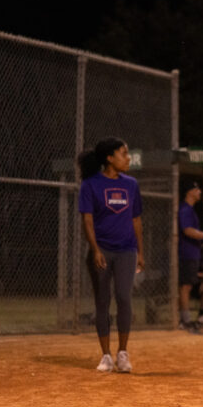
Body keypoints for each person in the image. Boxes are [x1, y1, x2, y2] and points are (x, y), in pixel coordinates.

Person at [77, 137, 145, 373]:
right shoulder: (90, 184)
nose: (128, 158)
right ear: (109, 158)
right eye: (123, 154)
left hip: (127, 250)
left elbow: (136, 220)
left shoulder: (131, 184)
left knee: (124, 298)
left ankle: (123, 353)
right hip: (103, 250)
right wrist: (95, 249)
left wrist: (140, 251)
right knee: (103, 301)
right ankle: (106, 355)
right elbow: (87, 220)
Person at [177, 181, 203, 332]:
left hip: (193, 252)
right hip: (186, 253)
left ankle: (185, 320)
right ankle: (185, 321)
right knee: (185, 287)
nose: (199, 192)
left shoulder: (191, 210)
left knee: (188, 286)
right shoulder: (185, 209)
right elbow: (187, 230)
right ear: (189, 192)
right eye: (196, 189)